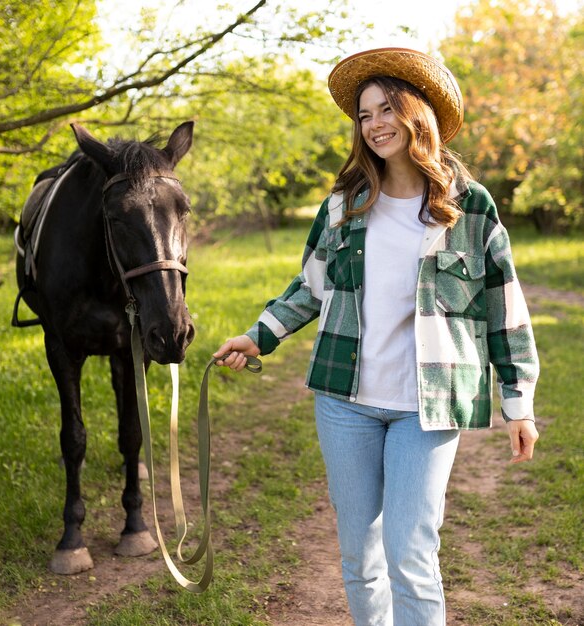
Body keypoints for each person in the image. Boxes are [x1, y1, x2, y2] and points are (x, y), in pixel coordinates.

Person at [213, 47, 540, 626]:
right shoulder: (344, 204)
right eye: (365, 115)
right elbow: (310, 287)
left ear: (418, 114)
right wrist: (256, 337)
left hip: (427, 408)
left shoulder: (469, 207)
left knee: (410, 556)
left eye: (387, 108)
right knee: (359, 559)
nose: (376, 124)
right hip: (346, 405)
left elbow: (503, 307)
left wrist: (519, 405)